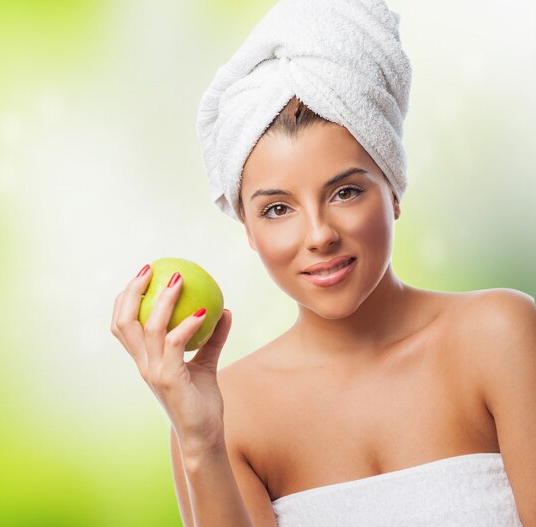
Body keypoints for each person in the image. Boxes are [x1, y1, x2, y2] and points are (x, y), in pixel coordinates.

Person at [111, 1, 535, 525]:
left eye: (346, 192)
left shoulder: (498, 335)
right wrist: (201, 443)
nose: (318, 236)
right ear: (248, 228)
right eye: (277, 209)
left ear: (394, 191)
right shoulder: (224, 416)